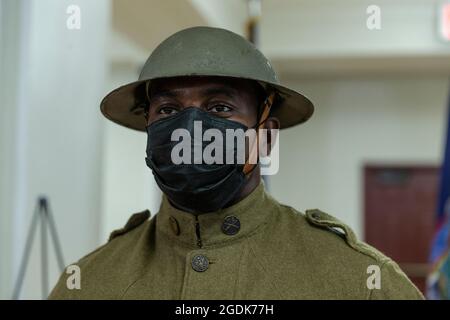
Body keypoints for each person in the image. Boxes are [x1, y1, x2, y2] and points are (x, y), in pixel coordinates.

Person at [49, 26, 424, 299]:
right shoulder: (89, 283)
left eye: (220, 108)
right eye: (168, 109)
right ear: (148, 125)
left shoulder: (359, 281)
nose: (191, 130)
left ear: (266, 135)